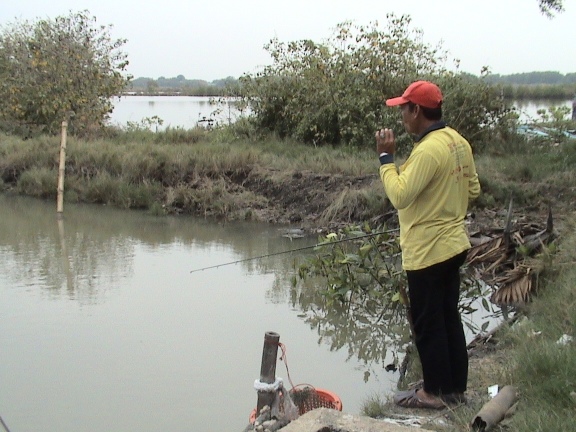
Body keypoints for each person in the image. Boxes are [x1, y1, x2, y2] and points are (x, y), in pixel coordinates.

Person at [375, 80, 481, 409]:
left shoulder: (428, 149)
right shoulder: (458, 142)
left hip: (427, 253)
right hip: (453, 245)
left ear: (417, 110)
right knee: (448, 319)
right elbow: (473, 190)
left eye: (404, 109)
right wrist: (444, 202)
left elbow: (400, 195)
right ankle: (453, 391)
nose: (402, 116)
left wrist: (385, 158)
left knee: (428, 324)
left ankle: (433, 393)